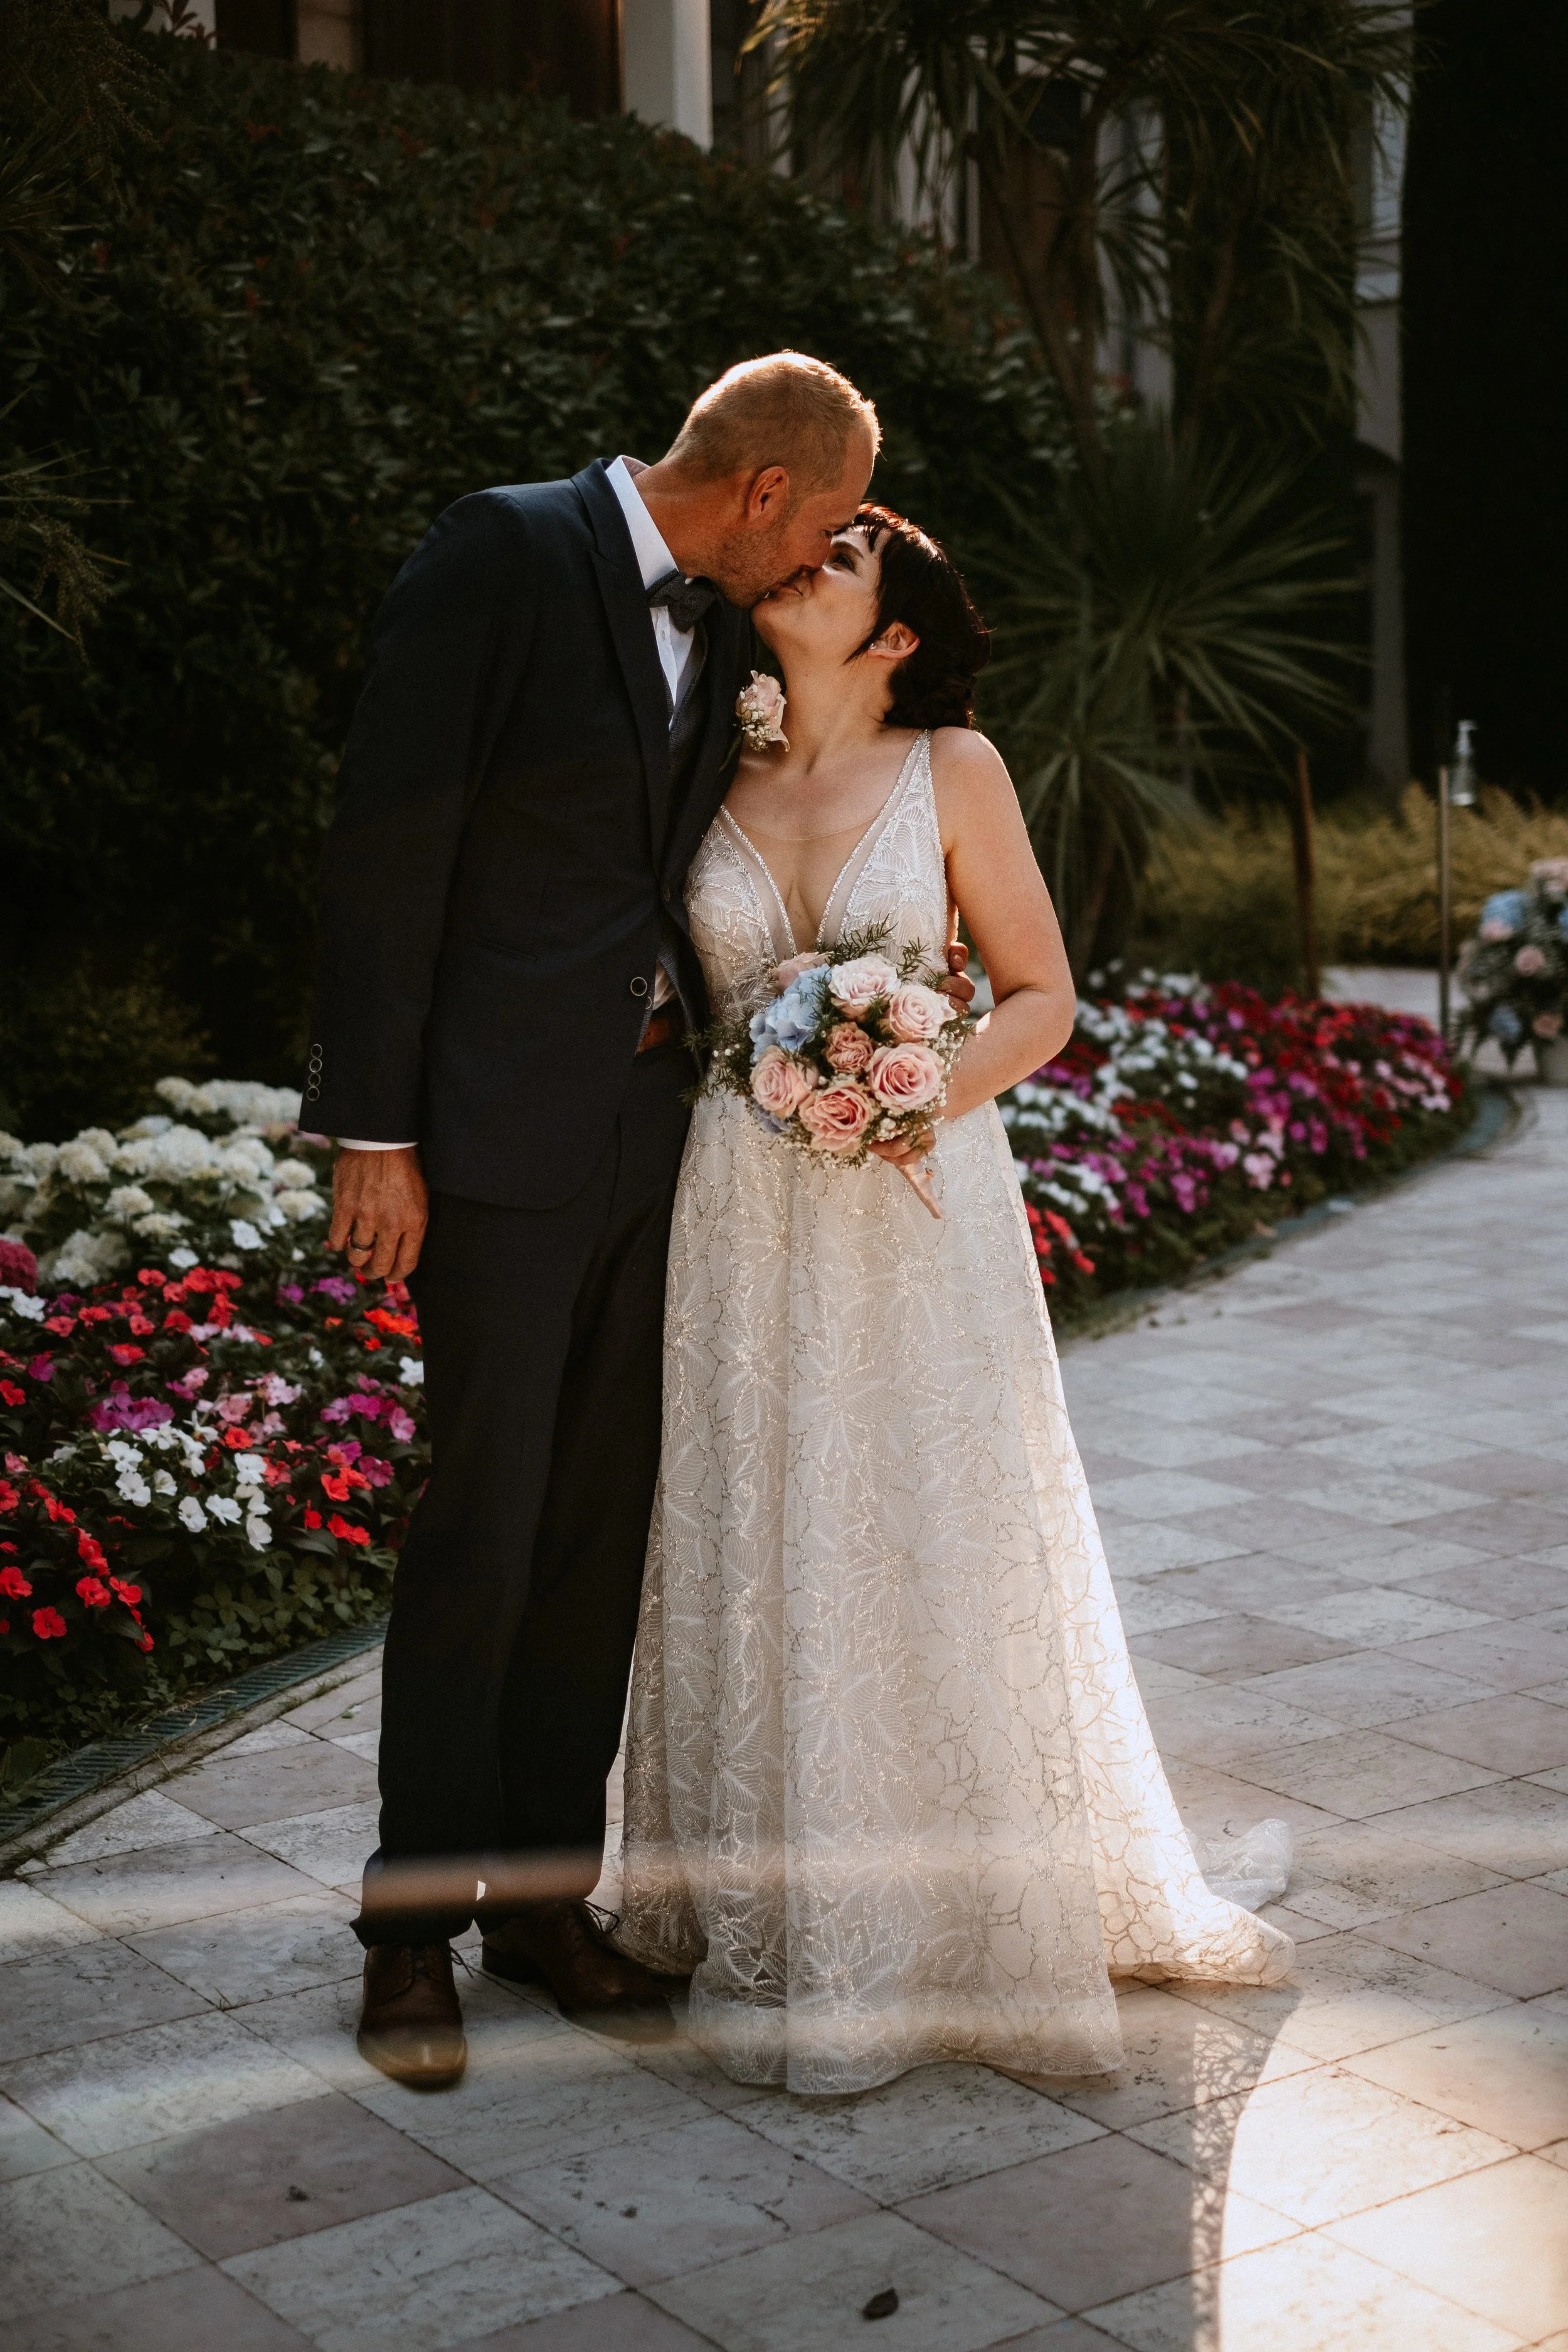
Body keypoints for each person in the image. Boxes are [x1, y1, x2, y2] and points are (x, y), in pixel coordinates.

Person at [615, 507, 1293, 2095]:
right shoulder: (699, 760)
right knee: (753, 1518)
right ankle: (762, 1905)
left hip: (914, 1201)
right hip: (735, 1203)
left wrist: (910, 1090)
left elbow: (1043, 995)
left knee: (929, 1514)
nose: (799, 560)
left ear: (896, 632)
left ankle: (961, 1914)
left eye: (841, 559)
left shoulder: (955, 769)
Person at [307, 354, 914, 2087]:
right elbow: (383, 844)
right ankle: (409, 1929)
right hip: (489, 1145)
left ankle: (542, 1901)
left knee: (596, 1532)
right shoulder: (497, 554)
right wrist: (374, 1126)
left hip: (663, 1139)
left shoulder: (730, 632)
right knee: (483, 1525)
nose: (810, 565)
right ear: (763, 497)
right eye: (819, 529)